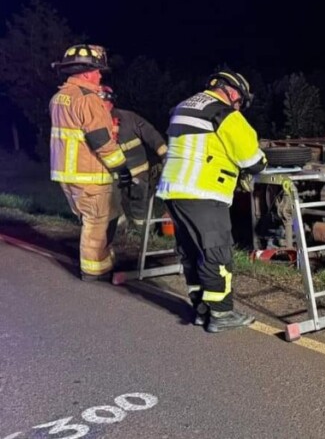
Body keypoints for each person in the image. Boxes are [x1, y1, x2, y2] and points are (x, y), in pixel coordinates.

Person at [157, 70, 267, 333]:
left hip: (175, 191)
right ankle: (221, 313)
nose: (239, 106)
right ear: (231, 91)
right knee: (217, 253)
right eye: (240, 100)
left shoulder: (182, 107)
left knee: (192, 252)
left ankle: (201, 309)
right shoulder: (225, 114)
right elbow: (253, 162)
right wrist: (261, 161)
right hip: (203, 193)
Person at [49, 44, 131, 281]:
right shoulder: (88, 98)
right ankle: (95, 271)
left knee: (92, 219)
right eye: (97, 71)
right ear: (86, 73)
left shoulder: (59, 97)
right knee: (97, 223)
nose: (100, 75)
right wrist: (120, 167)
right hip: (89, 173)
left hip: (67, 174)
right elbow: (101, 140)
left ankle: (102, 260)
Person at [98, 86, 168, 225]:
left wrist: (165, 156)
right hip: (110, 174)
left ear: (111, 102)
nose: (101, 107)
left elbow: (151, 134)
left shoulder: (129, 118)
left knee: (139, 197)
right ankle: (119, 225)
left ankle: (142, 225)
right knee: (112, 202)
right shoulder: (92, 123)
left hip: (137, 170)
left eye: (103, 103)